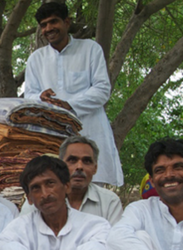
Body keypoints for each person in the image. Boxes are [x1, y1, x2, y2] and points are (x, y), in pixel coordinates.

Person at [23, 2, 122, 187]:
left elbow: (102, 90)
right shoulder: (36, 59)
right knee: (55, 187)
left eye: (53, 22)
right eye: (43, 25)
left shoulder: (90, 49)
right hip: (53, 135)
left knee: (93, 194)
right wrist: (39, 98)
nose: (48, 28)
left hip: (90, 130)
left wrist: (69, 106)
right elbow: (29, 96)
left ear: (67, 22)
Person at [19, 136, 122, 224]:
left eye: (87, 161)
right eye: (72, 160)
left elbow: (114, 242)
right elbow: (21, 236)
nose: (79, 167)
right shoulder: (41, 198)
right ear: (61, 165)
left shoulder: (109, 201)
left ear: (95, 168)